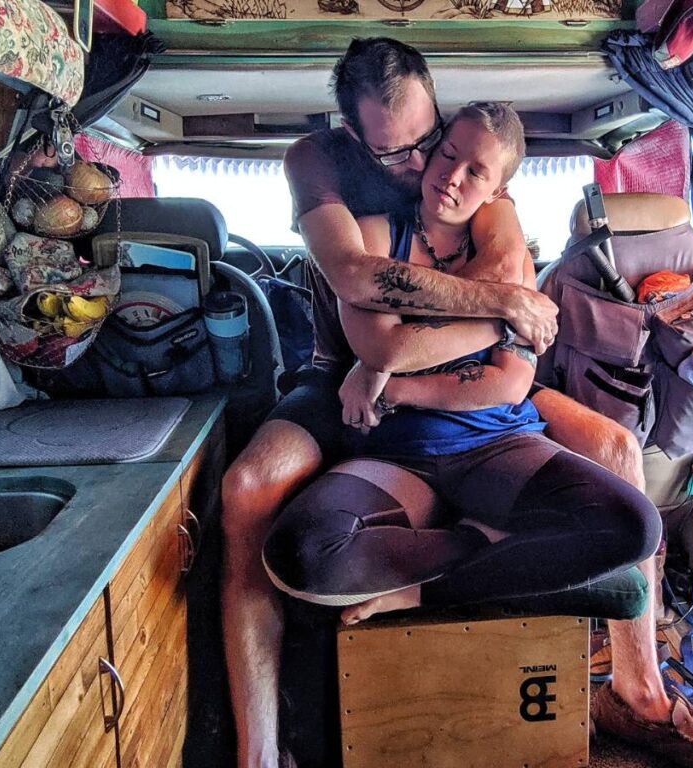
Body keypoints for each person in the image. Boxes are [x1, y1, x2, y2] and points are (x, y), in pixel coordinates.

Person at [262, 103, 693, 768]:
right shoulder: (374, 234)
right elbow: (373, 339)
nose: (452, 178)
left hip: (498, 442)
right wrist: (488, 325)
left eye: (477, 172)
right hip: (399, 453)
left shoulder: (508, 253)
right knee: (304, 553)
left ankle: (421, 585)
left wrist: (395, 382)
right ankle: (477, 551)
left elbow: (501, 386)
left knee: (633, 527)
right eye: (447, 157)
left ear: (498, 189)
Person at [221, 38, 644, 768]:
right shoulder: (318, 163)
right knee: (248, 490)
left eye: (434, 141)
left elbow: (510, 363)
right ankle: (258, 753)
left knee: (617, 451)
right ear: (352, 135)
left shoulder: (481, 177)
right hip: (344, 370)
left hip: (465, 392)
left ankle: (641, 695)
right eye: (399, 154)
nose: (426, 167)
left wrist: (476, 337)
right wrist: (505, 305)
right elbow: (357, 280)